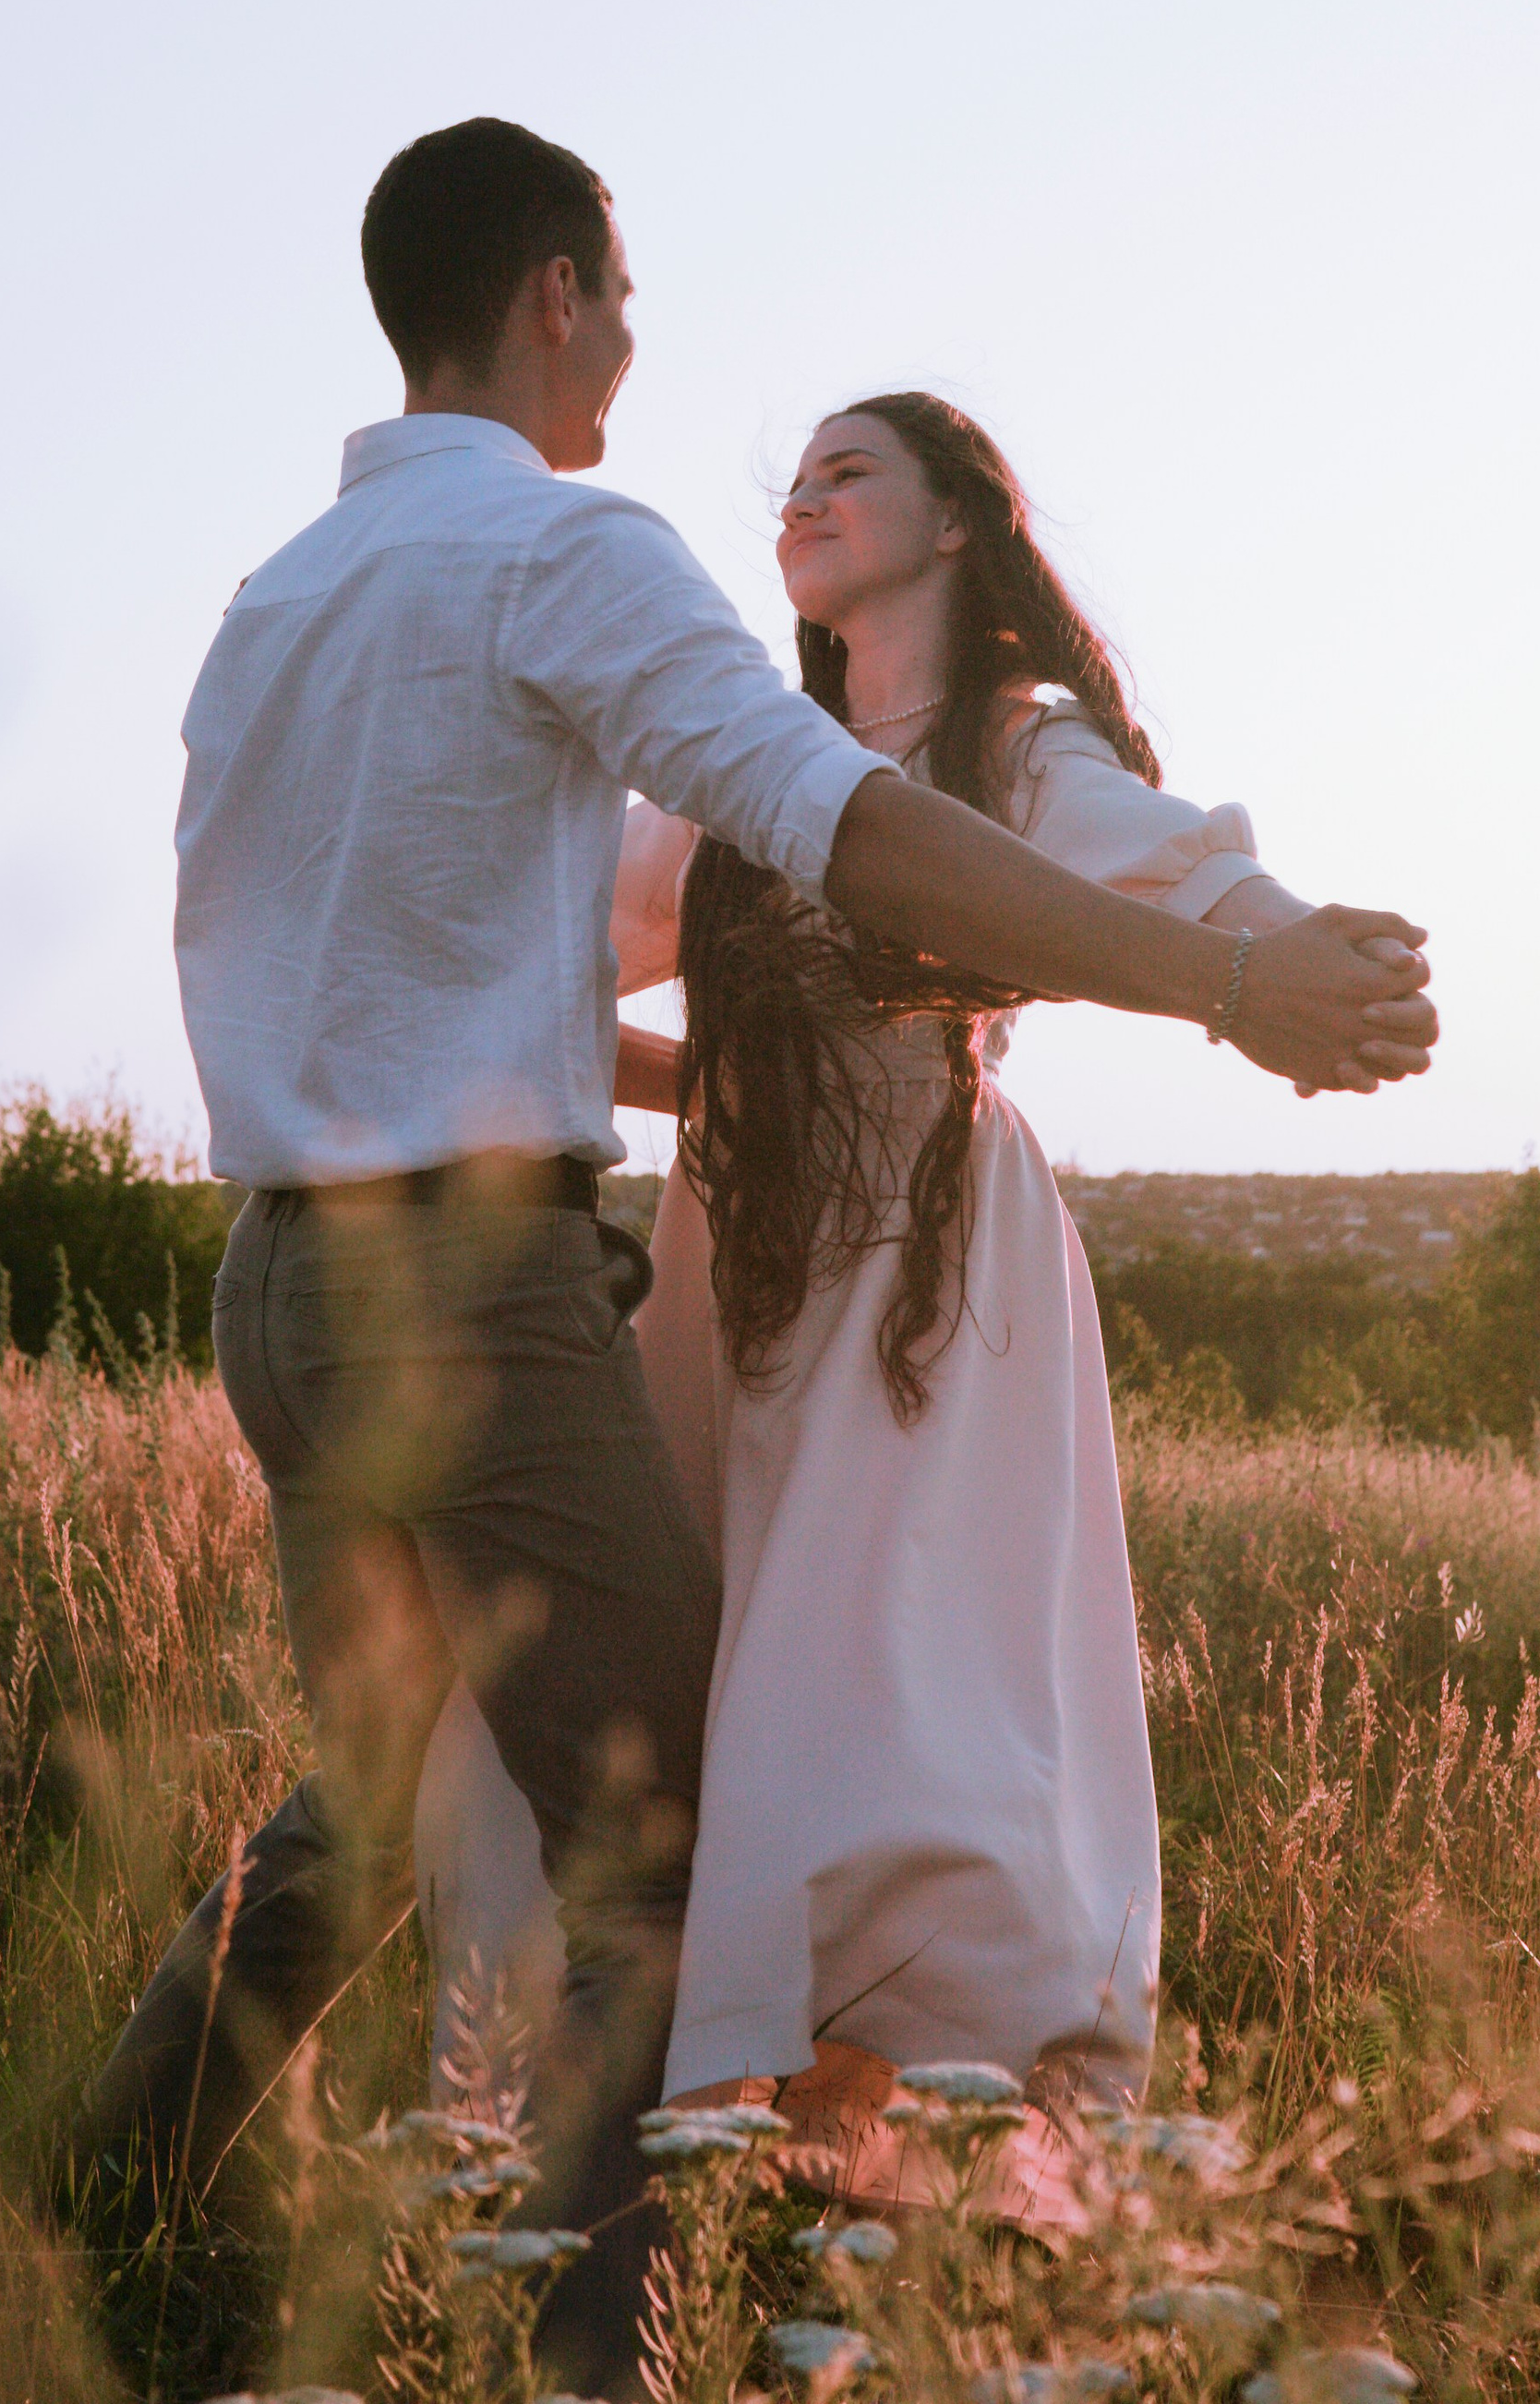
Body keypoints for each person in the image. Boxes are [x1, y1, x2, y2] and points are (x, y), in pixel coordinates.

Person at [82, 121, 1436, 2392]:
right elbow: (849, 833)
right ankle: (605, 2351)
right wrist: (1213, 990)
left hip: (280, 1296)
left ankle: (106, 2207)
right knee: (659, 1825)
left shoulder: (274, 601)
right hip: (475, 1300)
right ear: (548, 294)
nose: (632, 346)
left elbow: (342, 955)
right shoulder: (562, 550)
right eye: (616, 298)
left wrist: (749, 1075)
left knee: (388, 1790)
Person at [414, 392, 1411, 2215]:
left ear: (955, 521)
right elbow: (541, 958)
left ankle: (874, 2160)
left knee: (865, 1718)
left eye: (845, 468)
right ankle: (601, 2142)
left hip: (922, 1274)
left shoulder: (1006, 746)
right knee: (602, 1676)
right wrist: (708, 1079)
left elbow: (1164, 855)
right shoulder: (740, 758)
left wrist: (1285, 941)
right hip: (730, 1267)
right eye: (788, 480)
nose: (800, 497)